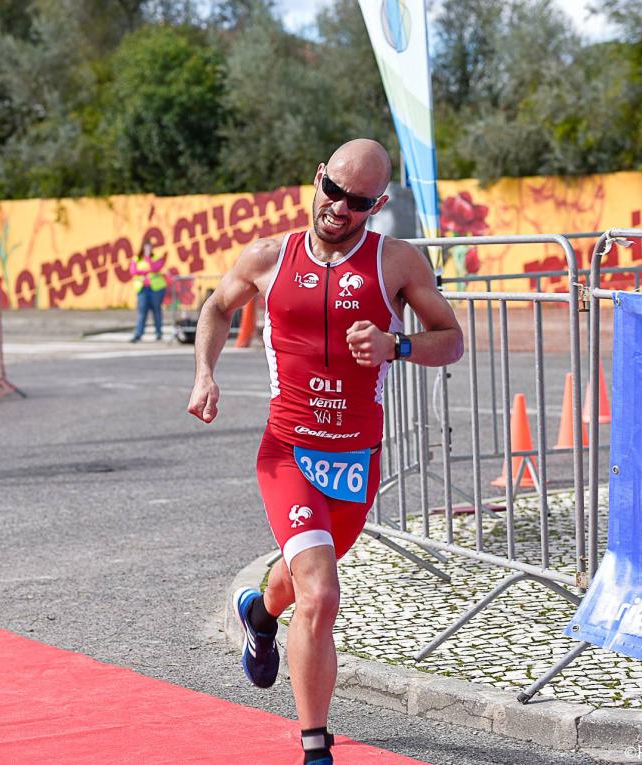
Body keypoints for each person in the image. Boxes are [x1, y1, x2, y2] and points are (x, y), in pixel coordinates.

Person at [187, 139, 464, 765]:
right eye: (333, 191)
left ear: (378, 203)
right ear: (318, 179)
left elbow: (451, 341)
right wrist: (205, 373)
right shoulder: (267, 255)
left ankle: (258, 613)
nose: (339, 208)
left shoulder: (397, 263)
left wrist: (397, 346)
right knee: (321, 593)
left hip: (356, 456)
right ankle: (316, 749)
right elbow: (215, 307)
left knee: (301, 579)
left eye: (357, 201)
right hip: (287, 451)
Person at [130, 239, 167, 342]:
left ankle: (158, 332)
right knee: (142, 312)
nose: (148, 250)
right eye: (146, 248)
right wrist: (146, 271)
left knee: (156, 311)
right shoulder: (136, 259)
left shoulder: (156, 257)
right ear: (142, 248)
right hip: (142, 288)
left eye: (150, 248)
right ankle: (138, 333)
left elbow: (155, 268)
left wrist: (147, 259)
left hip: (156, 289)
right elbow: (133, 271)